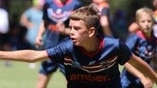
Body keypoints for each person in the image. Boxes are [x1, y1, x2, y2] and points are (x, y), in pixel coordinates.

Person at [0, 5, 157, 88]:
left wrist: (154, 78)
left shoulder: (114, 46)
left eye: (76, 29)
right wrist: (2, 54)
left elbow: (138, 63)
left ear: (91, 31)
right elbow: (34, 56)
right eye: (71, 27)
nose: (71, 32)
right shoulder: (67, 48)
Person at [35, 0, 82, 88]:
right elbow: (45, 22)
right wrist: (39, 35)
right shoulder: (48, 3)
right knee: (42, 78)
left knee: (71, 79)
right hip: (50, 47)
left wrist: (65, 31)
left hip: (68, 49)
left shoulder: (76, 4)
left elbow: (80, 29)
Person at [121, 7, 157, 88]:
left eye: (149, 21)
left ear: (153, 22)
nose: (146, 24)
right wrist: (142, 77)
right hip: (128, 82)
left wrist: (151, 77)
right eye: (143, 21)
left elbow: (153, 58)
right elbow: (125, 61)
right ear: (137, 23)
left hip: (142, 83)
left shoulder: (154, 41)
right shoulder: (135, 39)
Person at [20, 0, 44, 69]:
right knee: (32, 47)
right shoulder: (30, 11)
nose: (40, 5)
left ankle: (42, 62)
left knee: (42, 48)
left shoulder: (44, 11)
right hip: (33, 33)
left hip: (43, 34)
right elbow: (22, 20)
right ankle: (31, 61)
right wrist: (28, 24)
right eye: (39, 4)